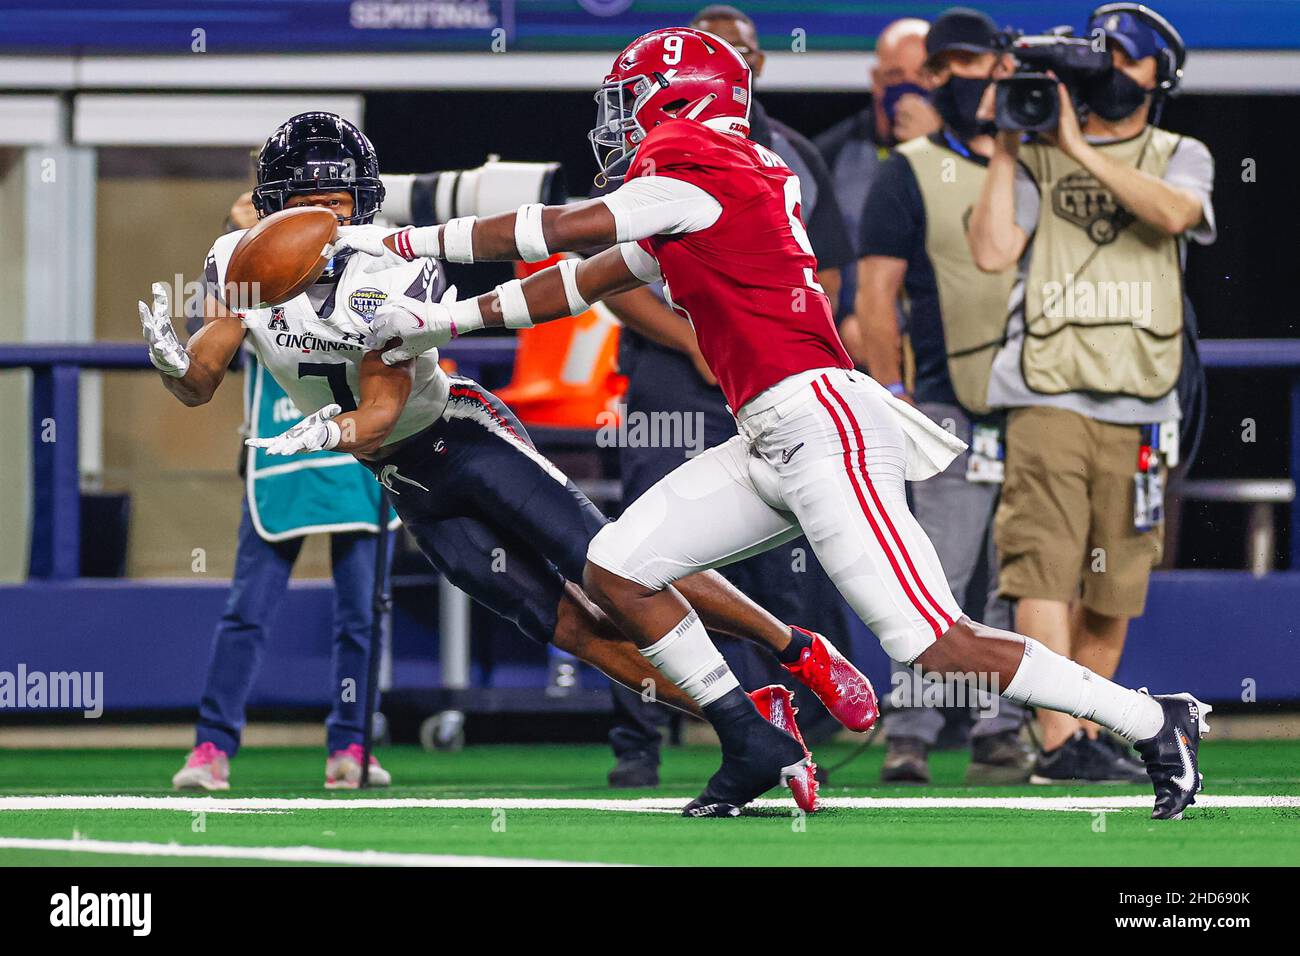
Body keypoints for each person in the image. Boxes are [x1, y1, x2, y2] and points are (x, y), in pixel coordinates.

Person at [337, 27, 1212, 821]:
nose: (620, 123)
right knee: (617, 566)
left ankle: (1153, 718)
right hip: (770, 433)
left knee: (932, 642)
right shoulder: (708, 182)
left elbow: (559, 227)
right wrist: (434, 325)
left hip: (821, 421)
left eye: (629, 100)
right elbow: (573, 282)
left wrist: (401, 242)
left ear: (674, 99)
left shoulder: (697, 163)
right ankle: (753, 735)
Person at [141, 111, 881, 814]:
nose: (324, 226)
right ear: (270, 209)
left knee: (613, 563)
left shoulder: (386, 269)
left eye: (339, 206)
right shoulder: (236, 264)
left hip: (460, 438)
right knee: (570, 627)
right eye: (306, 207)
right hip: (406, 480)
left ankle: (795, 646)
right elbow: (204, 378)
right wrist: (174, 364)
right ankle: (748, 723)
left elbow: (382, 411)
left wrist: (332, 435)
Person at [596, 2, 858, 790]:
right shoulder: (655, 149)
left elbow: (827, 273)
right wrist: (694, 341)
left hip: (762, 382)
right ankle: (640, 738)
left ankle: (780, 728)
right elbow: (610, 274)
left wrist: (757, 341)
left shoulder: (788, 154)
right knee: (637, 554)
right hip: (677, 379)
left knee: (776, 563)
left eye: (737, 47)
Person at [966, 4, 1216, 784]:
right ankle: (1059, 741)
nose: (1106, 67)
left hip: (1142, 395)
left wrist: (1076, 146)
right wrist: (1009, 147)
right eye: (1097, 52)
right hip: (1047, 389)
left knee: (1115, 586)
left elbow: (1174, 213)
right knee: (1041, 567)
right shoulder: (1035, 150)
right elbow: (991, 251)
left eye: (1123, 56)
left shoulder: (1183, 152)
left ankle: (1092, 728)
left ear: (1158, 76)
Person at [848, 7, 1032, 785]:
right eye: (950, 66)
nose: (969, 78)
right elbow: (876, 298)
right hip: (946, 401)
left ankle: (1003, 730)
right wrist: (896, 400)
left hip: (1040, 401)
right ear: (934, 75)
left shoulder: (1042, 162)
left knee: (1022, 577)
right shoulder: (911, 167)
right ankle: (911, 732)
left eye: (981, 62)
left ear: (1003, 67)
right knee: (939, 573)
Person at [169, 189, 397, 792]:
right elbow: (205, 332)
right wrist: (233, 239)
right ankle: (212, 745)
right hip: (277, 448)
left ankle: (351, 739)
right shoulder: (250, 258)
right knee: (248, 608)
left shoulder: (376, 259)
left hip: (355, 445)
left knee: (362, 612)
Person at [814, 17, 942, 326]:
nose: (909, 89)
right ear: (875, 80)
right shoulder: (830, 154)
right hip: (859, 341)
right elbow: (811, 257)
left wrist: (935, 147)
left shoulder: (967, 150)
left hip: (944, 334)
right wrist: (842, 322)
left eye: (922, 75)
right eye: (895, 75)